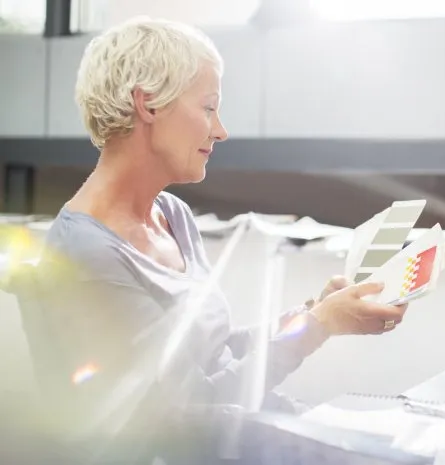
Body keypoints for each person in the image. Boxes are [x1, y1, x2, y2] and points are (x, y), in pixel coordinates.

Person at [29, 16, 408, 464]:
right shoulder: (86, 257)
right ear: (147, 104)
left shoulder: (173, 216)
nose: (220, 129)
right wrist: (319, 326)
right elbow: (187, 416)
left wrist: (315, 313)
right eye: (208, 107)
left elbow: (219, 354)